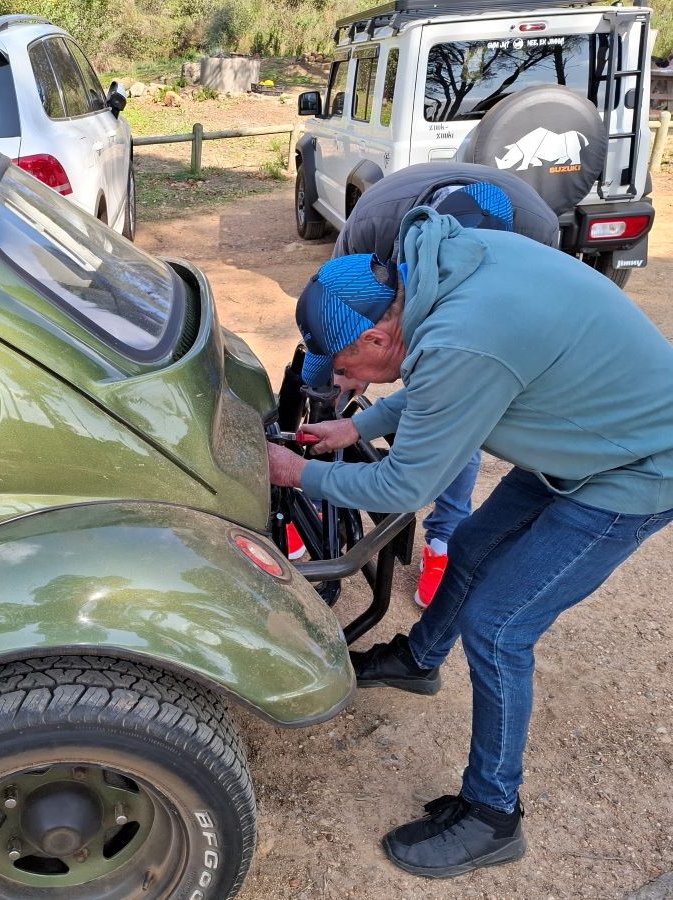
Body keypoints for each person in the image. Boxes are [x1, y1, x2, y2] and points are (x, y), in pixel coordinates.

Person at [267, 208, 673, 878]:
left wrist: (298, 473)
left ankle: (492, 815)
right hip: (580, 429)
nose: (343, 380)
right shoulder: (437, 273)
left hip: (636, 466)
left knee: (500, 627)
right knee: (474, 546)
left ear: (376, 335)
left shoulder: (462, 337)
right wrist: (356, 428)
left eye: (343, 366)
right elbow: (446, 382)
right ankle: (419, 660)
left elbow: (407, 483)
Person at [300, 164, 559, 608]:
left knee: (459, 412)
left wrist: (296, 471)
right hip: (391, 259)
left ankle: (444, 537)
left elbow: (453, 396)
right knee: (331, 387)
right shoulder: (372, 226)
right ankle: (320, 505)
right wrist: (342, 386)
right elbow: (332, 310)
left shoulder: (530, 241)